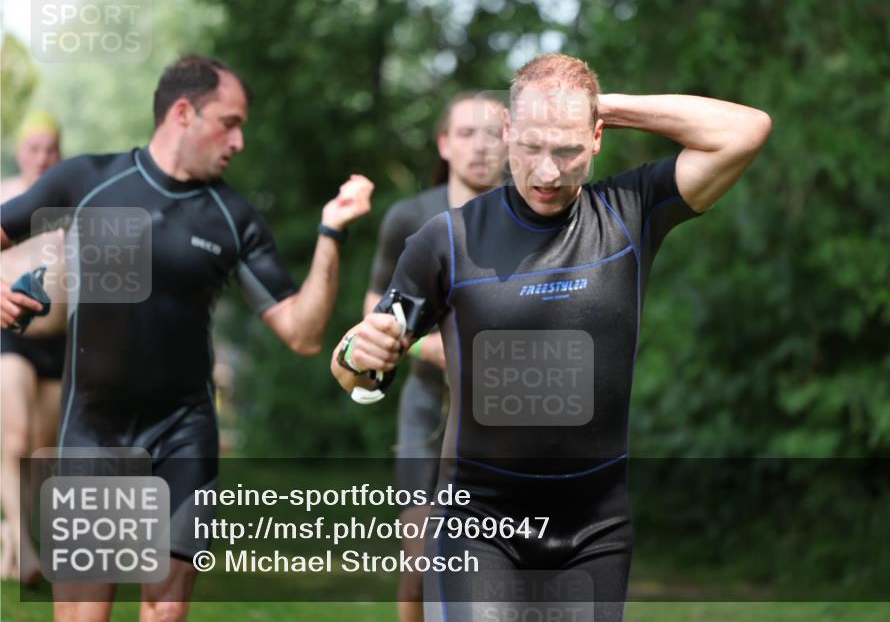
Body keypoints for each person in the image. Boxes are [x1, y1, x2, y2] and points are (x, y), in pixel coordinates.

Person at [331, 53, 771, 622]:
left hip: (595, 532)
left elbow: (745, 130)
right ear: (507, 131)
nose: (546, 173)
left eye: (566, 150)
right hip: (478, 526)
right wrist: (355, 351)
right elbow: (355, 371)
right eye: (531, 146)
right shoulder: (446, 240)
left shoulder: (630, 213)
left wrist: (598, 104)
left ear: (596, 138)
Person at [0, 54, 374, 622]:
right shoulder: (89, 181)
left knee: (167, 608)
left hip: (183, 431)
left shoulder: (233, 217)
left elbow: (301, 332)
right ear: (183, 112)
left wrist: (331, 233)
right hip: (96, 432)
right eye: (230, 121)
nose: (240, 140)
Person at [364, 92, 507, 622]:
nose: (481, 147)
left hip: (507, 412)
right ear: (444, 144)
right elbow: (374, 309)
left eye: (493, 134)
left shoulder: (531, 211)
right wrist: (442, 351)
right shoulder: (411, 216)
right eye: (467, 134)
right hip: (426, 404)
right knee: (421, 559)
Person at [0, 111, 66, 584]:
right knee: (15, 438)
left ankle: (13, 533)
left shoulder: (72, 206)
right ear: (21, 152)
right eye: (34, 148)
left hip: (61, 342)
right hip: (10, 338)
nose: (42, 158)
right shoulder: (4, 196)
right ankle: (24, 553)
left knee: (42, 454)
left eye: (51, 149)